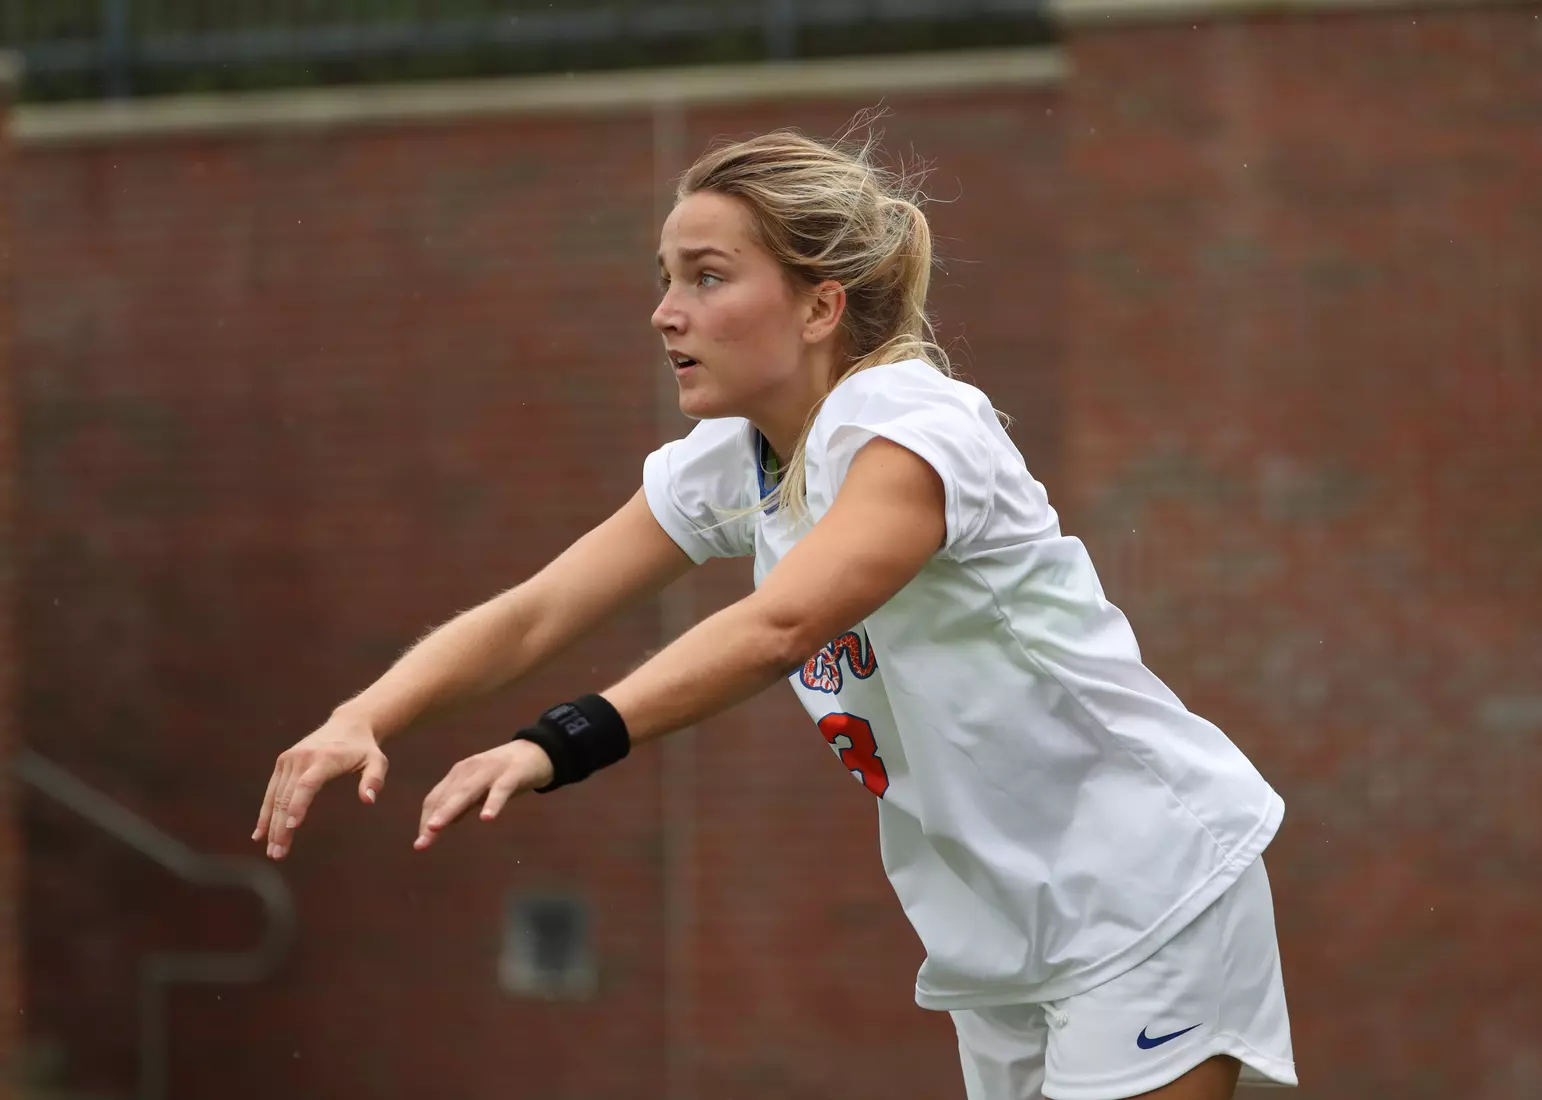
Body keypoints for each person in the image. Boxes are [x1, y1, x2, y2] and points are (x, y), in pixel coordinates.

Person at [253, 122, 1297, 1100]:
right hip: (1000, 931)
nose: (668, 310)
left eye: (708, 277)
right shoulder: (736, 459)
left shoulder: (917, 425)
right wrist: (367, 714)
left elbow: (777, 628)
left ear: (819, 307)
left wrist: (550, 744)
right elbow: (536, 610)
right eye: (665, 278)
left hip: (1150, 886)